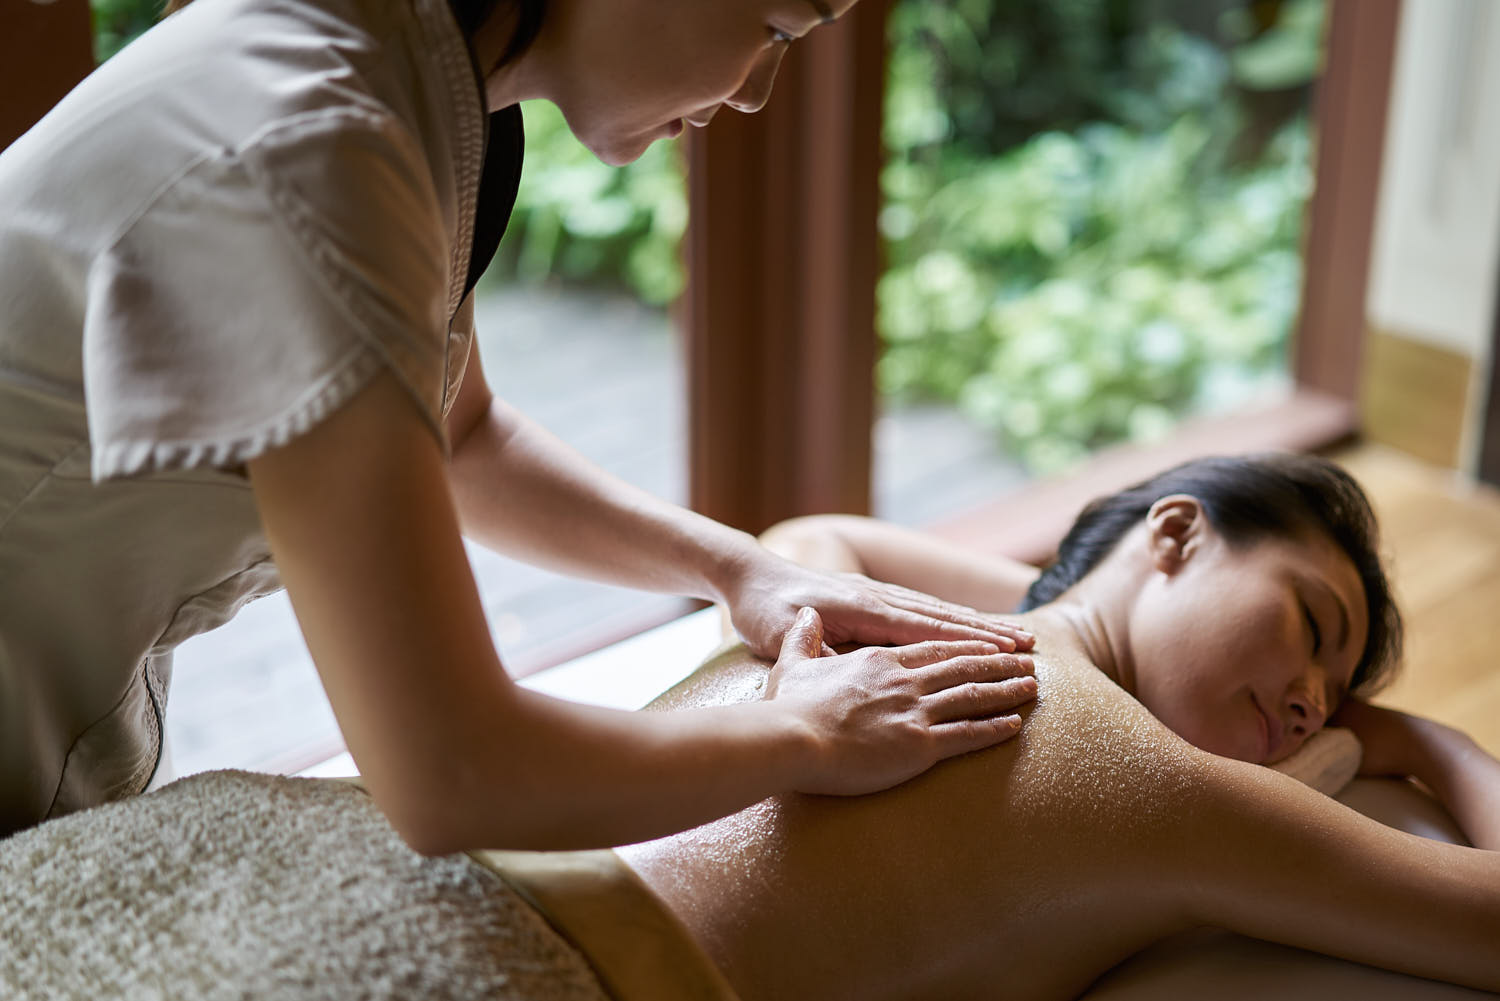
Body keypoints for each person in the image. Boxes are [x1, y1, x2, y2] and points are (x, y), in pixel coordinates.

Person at [0, 0, 1042, 844]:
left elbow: (465, 439)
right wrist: (803, 735)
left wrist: (741, 571)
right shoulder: (315, 145)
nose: (759, 91)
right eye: (774, 29)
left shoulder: (428, 85)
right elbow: (453, 772)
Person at [5, 452, 1494, 999]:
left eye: (1334, 697)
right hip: (402, 860)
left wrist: (1418, 745)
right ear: (1174, 531)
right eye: (1312, 629)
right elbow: (818, 528)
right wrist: (1049, 602)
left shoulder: (1181, 794)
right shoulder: (857, 629)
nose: (1314, 702)